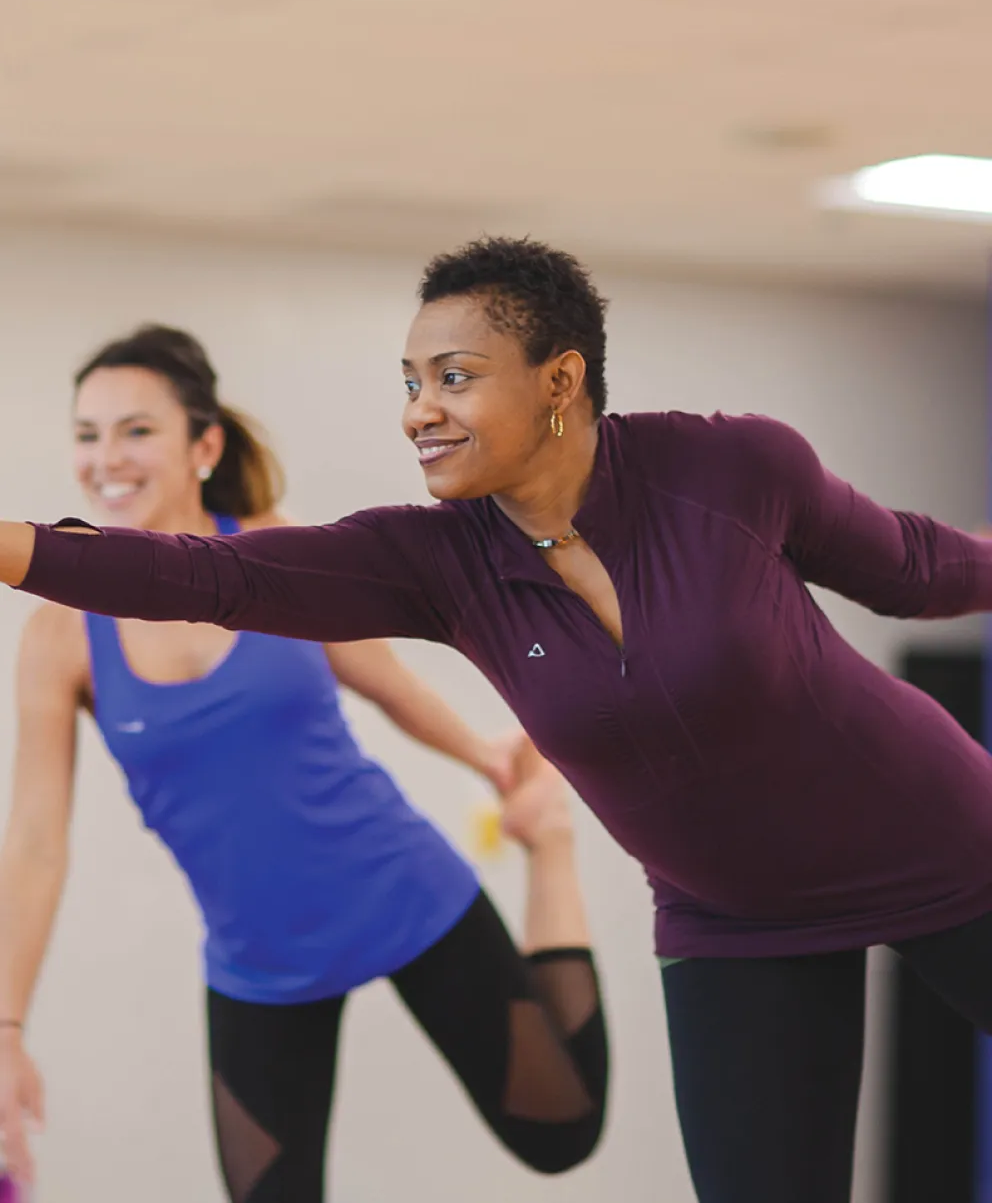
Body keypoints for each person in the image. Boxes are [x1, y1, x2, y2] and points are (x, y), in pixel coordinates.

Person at [2, 243, 992, 1203]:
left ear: (557, 380)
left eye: (453, 377)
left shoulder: (727, 465)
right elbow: (209, 576)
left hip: (936, 841)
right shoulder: (434, 563)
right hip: (729, 919)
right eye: (409, 381)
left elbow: (911, 565)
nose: (416, 411)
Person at [0, 324, 609, 1202]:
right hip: (259, 960)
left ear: (203, 445)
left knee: (560, 1134)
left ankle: (551, 854)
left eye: (136, 430)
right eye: (89, 434)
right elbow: (33, 843)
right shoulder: (61, 630)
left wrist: (492, 761)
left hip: (402, 893)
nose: (107, 458)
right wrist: (9, 1025)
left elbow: (387, 686)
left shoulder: (270, 551)